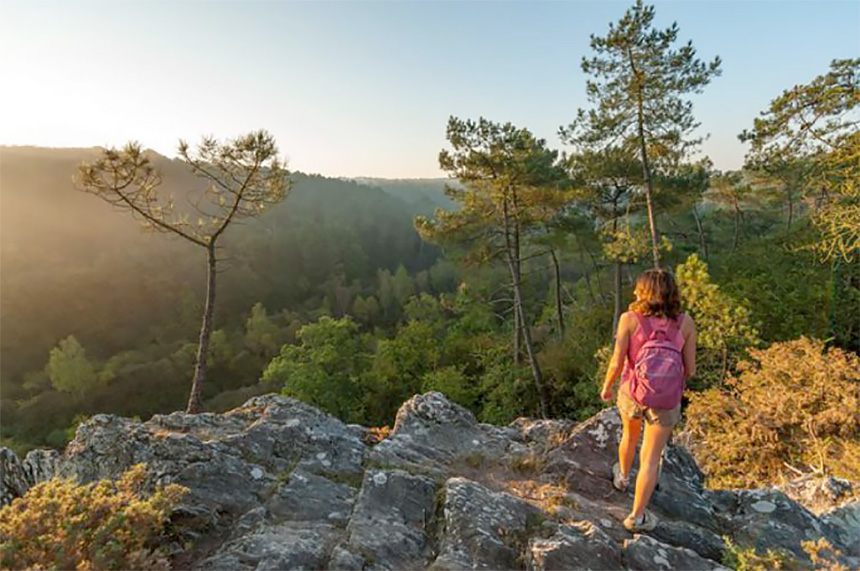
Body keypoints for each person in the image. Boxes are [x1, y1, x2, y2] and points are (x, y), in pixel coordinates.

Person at [600, 268, 697, 533]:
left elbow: (617, 360)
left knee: (629, 437)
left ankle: (621, 477)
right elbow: (691, 369)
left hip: (633, 392)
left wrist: (607, 387)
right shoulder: (685, 322)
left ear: (643, 292)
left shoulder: (629, 319)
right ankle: (636, 517)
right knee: (651, 459)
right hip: (665, 400)